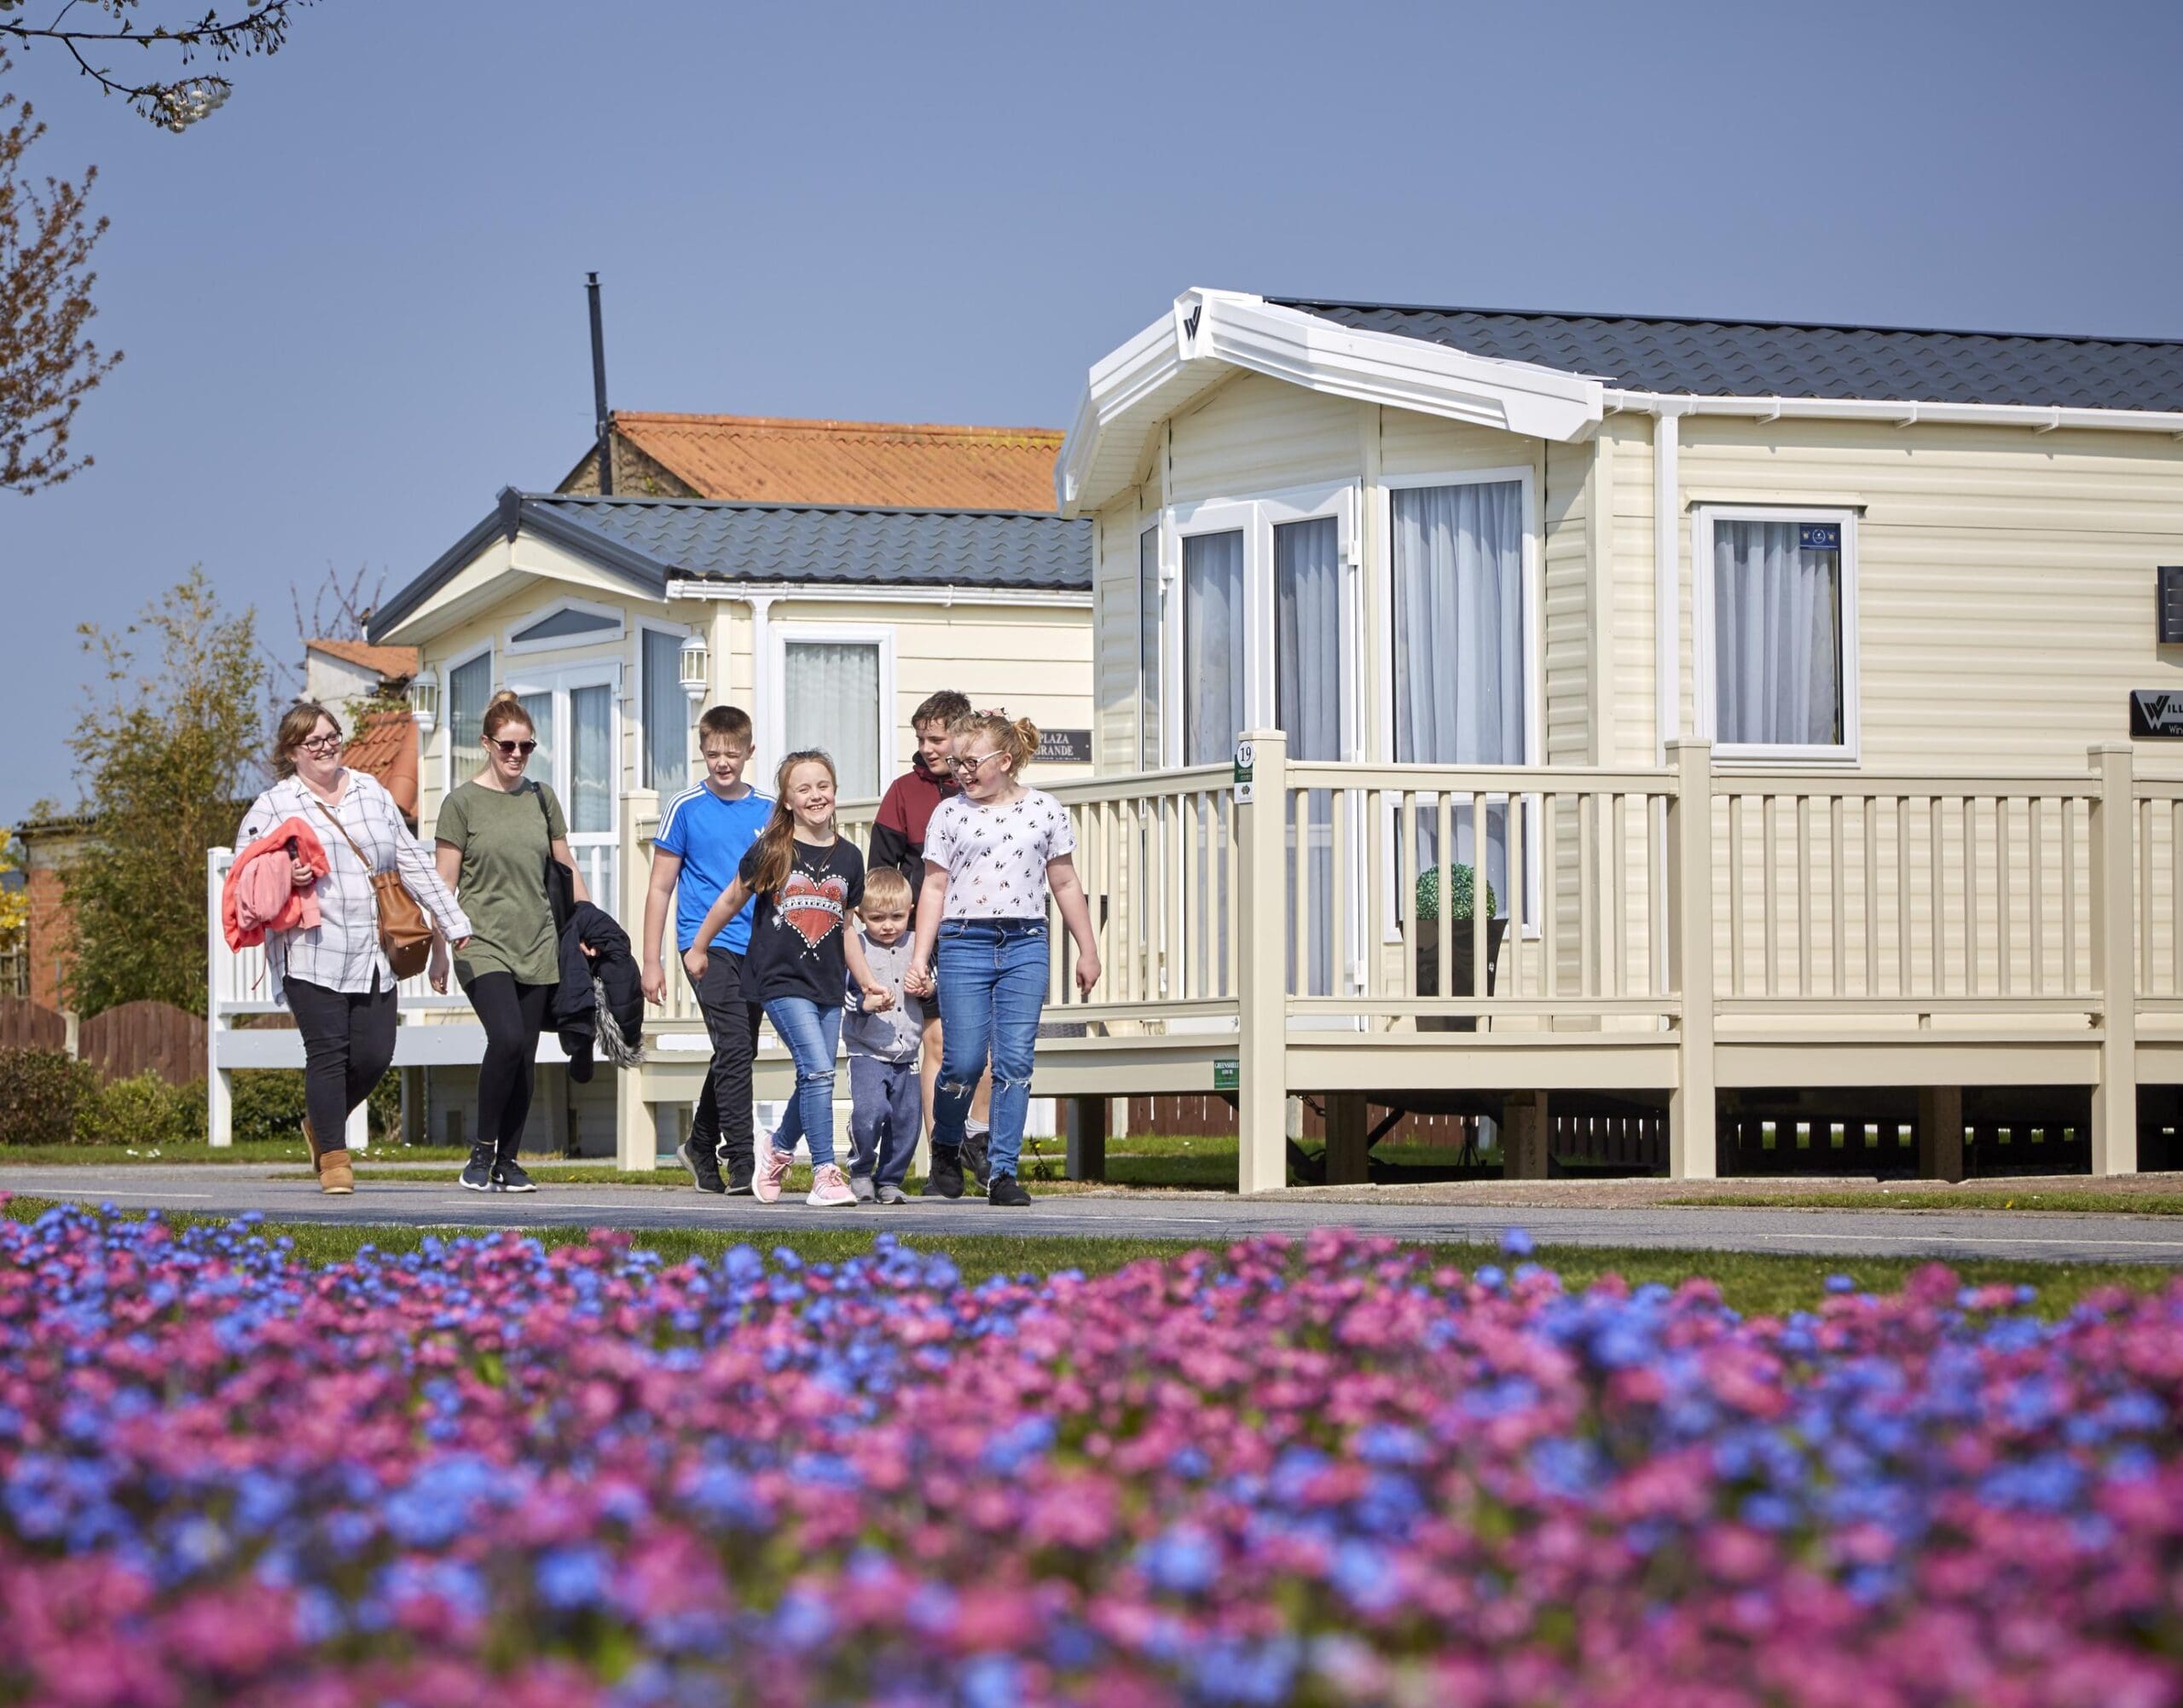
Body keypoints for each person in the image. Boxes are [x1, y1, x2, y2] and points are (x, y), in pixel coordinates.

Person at [235, 702, 471, 1196]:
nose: (325, 748)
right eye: (312, 742)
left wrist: (451, 922)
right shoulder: (275, 805)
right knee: (328, 1054)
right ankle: (334, 1161)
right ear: (292, 753)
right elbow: (244, 874)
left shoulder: (371, 791)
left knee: (375, 1054)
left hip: (373, 950)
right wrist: (287, 872)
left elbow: (411, 860)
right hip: (310, 948)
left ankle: (320, 1124)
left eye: (331, 736)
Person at [906, 711, 1100, 1207]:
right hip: (964, 941)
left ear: (1005, 760)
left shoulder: (1045, 810)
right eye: (956, 763)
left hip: (1025, 943)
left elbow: (1064, 882)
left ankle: (1002, 1171)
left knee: (1014, 1060)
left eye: (971, 762)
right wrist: (920, 957)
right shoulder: (950, 813)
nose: (961, 772)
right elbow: (933, 887)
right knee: (964, 1062)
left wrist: (1088, 948)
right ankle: (947, 1144)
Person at [688, 750, 891, 1208]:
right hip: (779, 981)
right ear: (787, 800)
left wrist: (867, 984)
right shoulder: (773, 850)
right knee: (819, 1070)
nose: (816, 795)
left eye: (823, 785)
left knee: (813, 1076)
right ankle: (824, 1171)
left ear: (834, 791)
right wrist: (699, 947)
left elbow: (846, 930)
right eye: (804, 789)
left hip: (827, 984)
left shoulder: (849, 857)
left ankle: (777, 1148)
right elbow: (729, 900)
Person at [433, 690, 590, 1193]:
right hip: (479, 943)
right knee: (504, 1037)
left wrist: (585, 929)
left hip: (538, 941)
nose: (517, 756)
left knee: (523, 1051)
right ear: (486, 744)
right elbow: (443, 885)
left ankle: (509, 1160)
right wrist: (439, 950)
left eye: (526, 747)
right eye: (507, 746)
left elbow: (566, 868)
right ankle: (480, 1153)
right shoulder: (461, 804)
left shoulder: (541, 799)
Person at [641, 703, 770, 1196]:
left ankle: (698, 1143)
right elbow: (659, 888)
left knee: (740, 1050)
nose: (723, 762)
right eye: (713, 753)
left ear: (748, 753)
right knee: (735, 1047)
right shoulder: (685, 807)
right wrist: (652, 961)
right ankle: (741, 1162)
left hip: (754, 947)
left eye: (732, 754)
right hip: (704, 943)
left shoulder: (767, 809)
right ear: (702, 751)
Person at [867, 688, 993, 1184]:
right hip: (926, 934)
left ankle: (978, 1141)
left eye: (936, 738)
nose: (927, 747)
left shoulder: (986, 788)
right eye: (921, 738)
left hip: (981, 930)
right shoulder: (904, 791)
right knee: (937, 1040)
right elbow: (882, 871)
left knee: (983, 1047)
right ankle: (942, 1152)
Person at [842, 866, 923, 1206]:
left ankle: (889, 1179)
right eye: (877, 918)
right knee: (870, 1112)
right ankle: (860, 1170)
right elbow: (844, 995)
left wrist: (927, 987)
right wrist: (865, 1003)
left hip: (908, 1053)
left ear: (911, 911)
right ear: (861, 915)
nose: (888, 926)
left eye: (897, 916)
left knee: (906, 1122)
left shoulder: (917, 945)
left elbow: (932, 983)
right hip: (867, 1050)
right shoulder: (855, 945)